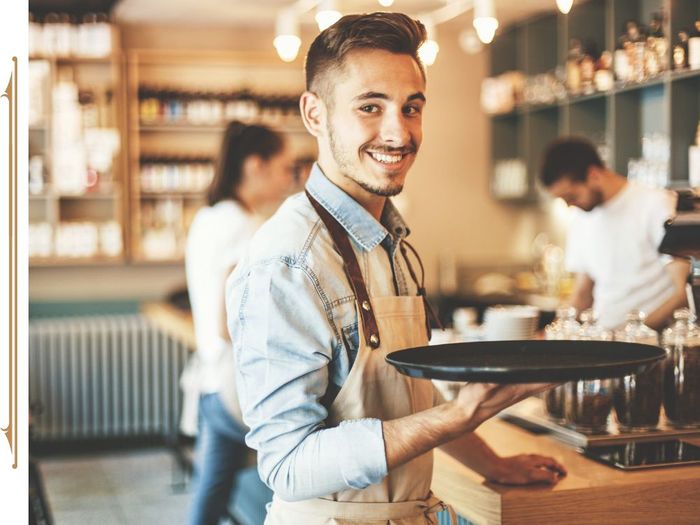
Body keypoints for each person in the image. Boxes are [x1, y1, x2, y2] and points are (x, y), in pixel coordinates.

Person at [227, 13, 566, 525]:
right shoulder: (287, 262)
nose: (399, 132)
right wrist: (457, 414)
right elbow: (287, 464)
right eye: (370, 106)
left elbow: (407, 401)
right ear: (314, 114)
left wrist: (494, 464)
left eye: (411, 108)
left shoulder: (392, 243)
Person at [185, 121, 295, 525]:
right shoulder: (244, 227)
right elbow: (228, 323)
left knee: (212, 492)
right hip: (236, 384)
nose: (290, 180)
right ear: (255, 166)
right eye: (285, 168)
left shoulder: (210, 216)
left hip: (213, 382)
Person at [540, 136, 689, 330]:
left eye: (571, 196)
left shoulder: (655, 205)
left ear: (593, 174)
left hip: (650, 343)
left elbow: (682, 293)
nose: (569, 205)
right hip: (604, 340)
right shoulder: (581, 217)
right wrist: (554, 335)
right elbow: (582, 294)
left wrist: (635, 336)